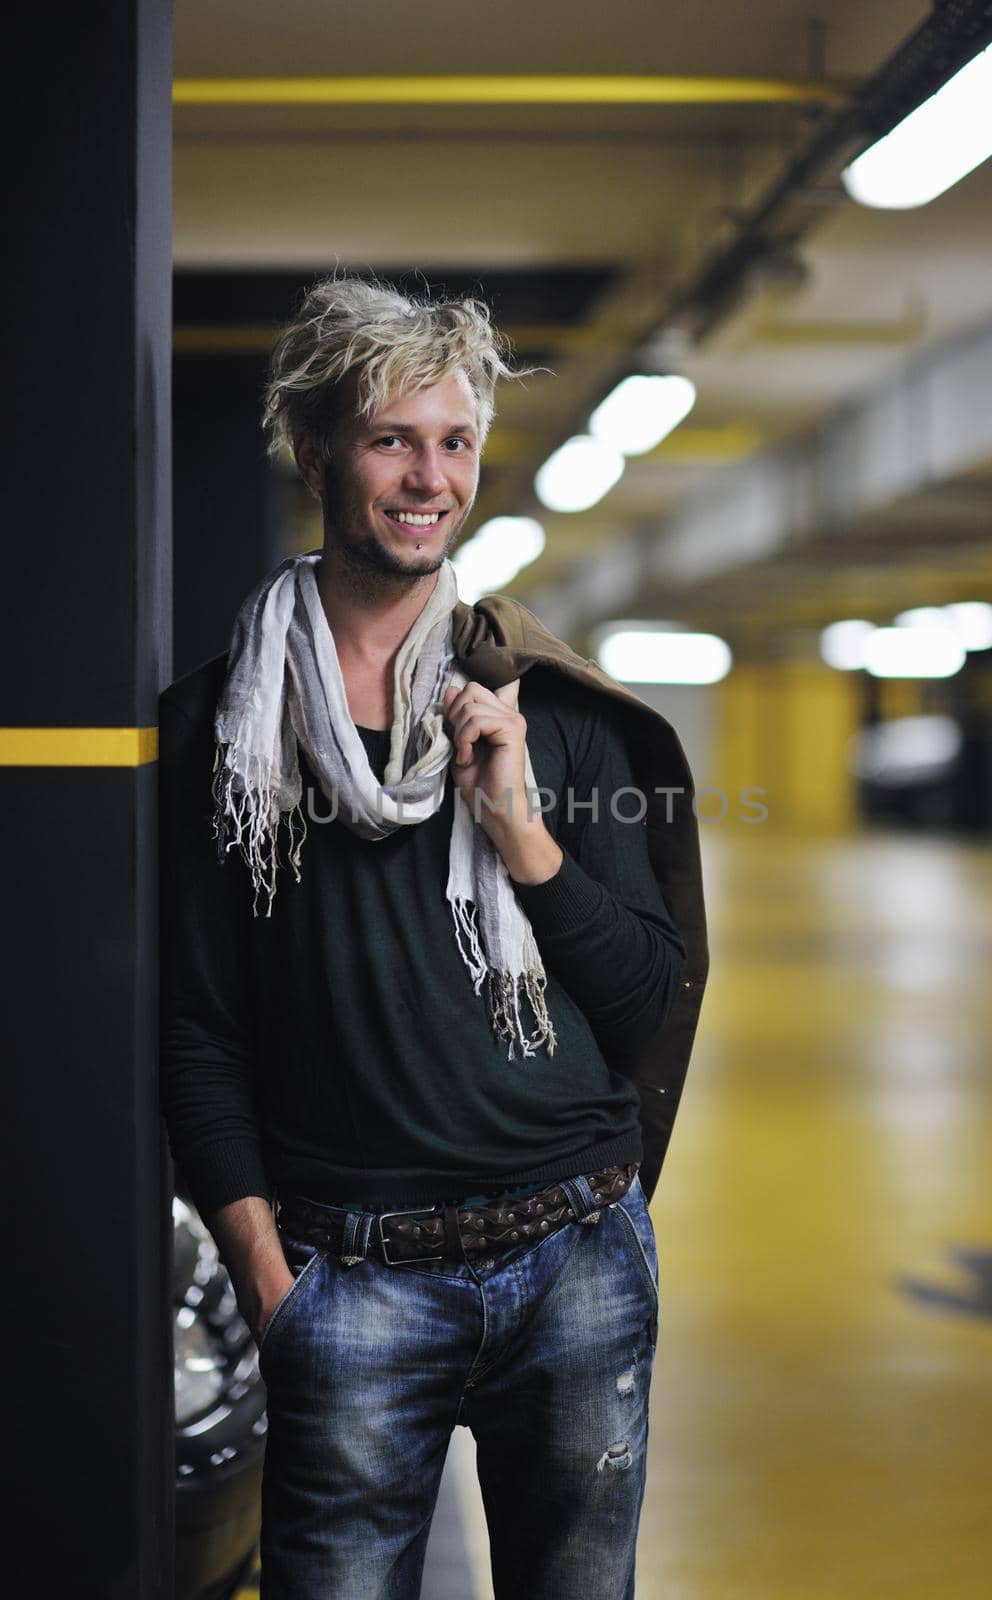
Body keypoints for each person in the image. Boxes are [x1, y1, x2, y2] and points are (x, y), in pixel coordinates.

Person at [160, 275, 707, 1600]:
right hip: (353, 1281)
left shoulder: (547, 715)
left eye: (453, 442)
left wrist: (523, 835)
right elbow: (196, 1027)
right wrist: (270, 1278)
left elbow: (646, 995)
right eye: (392, 439)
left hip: (575, 1259)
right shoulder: (218, 735)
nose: (428, 477)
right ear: (318, 452)